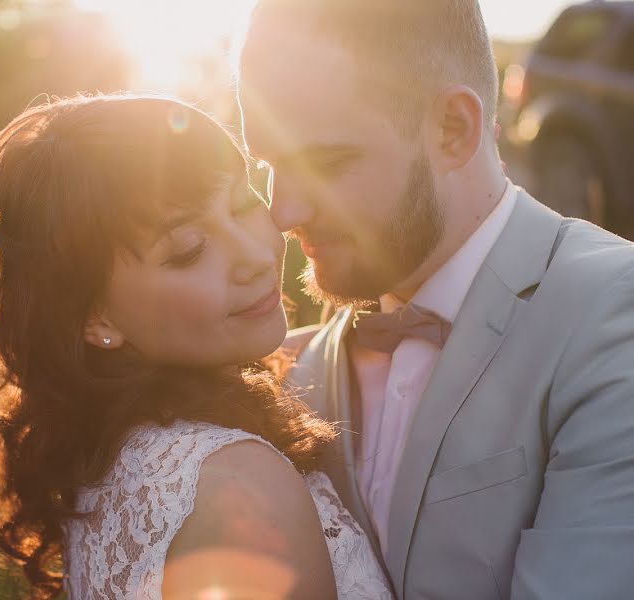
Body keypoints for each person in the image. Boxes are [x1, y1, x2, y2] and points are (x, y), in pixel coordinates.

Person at [237, 1, 634, 598]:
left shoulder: (611, 312)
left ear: (454, 129)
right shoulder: (296, 351)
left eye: (326, 162)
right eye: (268, 164)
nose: (284, 211)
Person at [0, 95, 393, 599]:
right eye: (188, 250)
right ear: (94, 316)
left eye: (244, 204)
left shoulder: (103, 456)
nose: (255, 255)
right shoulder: (236, 488)